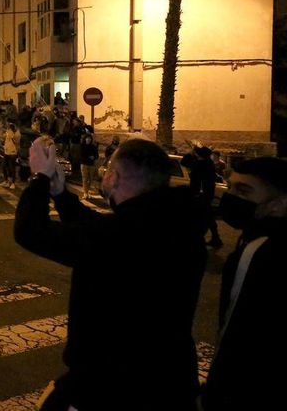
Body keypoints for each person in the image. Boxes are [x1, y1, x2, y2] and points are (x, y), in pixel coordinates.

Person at [14, 137, 207, 410]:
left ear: (114, 177)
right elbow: (100, 234)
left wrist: (40, 178)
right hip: (170, 381)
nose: (104, 173)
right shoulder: (176, 227)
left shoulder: (121, 234)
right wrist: (60, 194)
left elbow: (30, 232)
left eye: (107, 169)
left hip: (113, 387)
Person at [200, 157, 286, 411]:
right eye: (231, 188)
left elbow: (234, 326)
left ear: (279, 204)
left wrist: (214, 393)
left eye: (244, 191)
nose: (232, 197)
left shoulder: (259, 251)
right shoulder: (255, 239)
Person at [182, 146, 224, 248]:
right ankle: (215, 238)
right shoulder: (208, 163)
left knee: (200, 216)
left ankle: (202, 238)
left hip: (200, 194)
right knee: (207, 215)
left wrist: (190, 153)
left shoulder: (200, 164)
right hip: (206, 194)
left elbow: (184, 162)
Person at [0, 121, 20, 189]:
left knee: (12, 168)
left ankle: (13, 183)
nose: (7, 128)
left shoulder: (17, 133)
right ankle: (6, 181)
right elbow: (2, 136)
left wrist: (11, 134)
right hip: (6, 152)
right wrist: (0, 129)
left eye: (9, 127)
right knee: (4, 166)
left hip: (13, 153)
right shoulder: (8, 131)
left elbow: (15, 140)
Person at [79, 133, 99, 200]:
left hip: (91, 164)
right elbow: (81, 155)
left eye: (90, 138)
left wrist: (94, 157)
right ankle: (85, 193)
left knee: (90, 179)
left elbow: (97, 155)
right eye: (87, 138)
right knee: (85, 178)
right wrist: (88, 157)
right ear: (85, 139)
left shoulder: (93, 146)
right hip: (84, 164)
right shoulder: (82, 146)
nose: (88, 140)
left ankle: (87, 191)